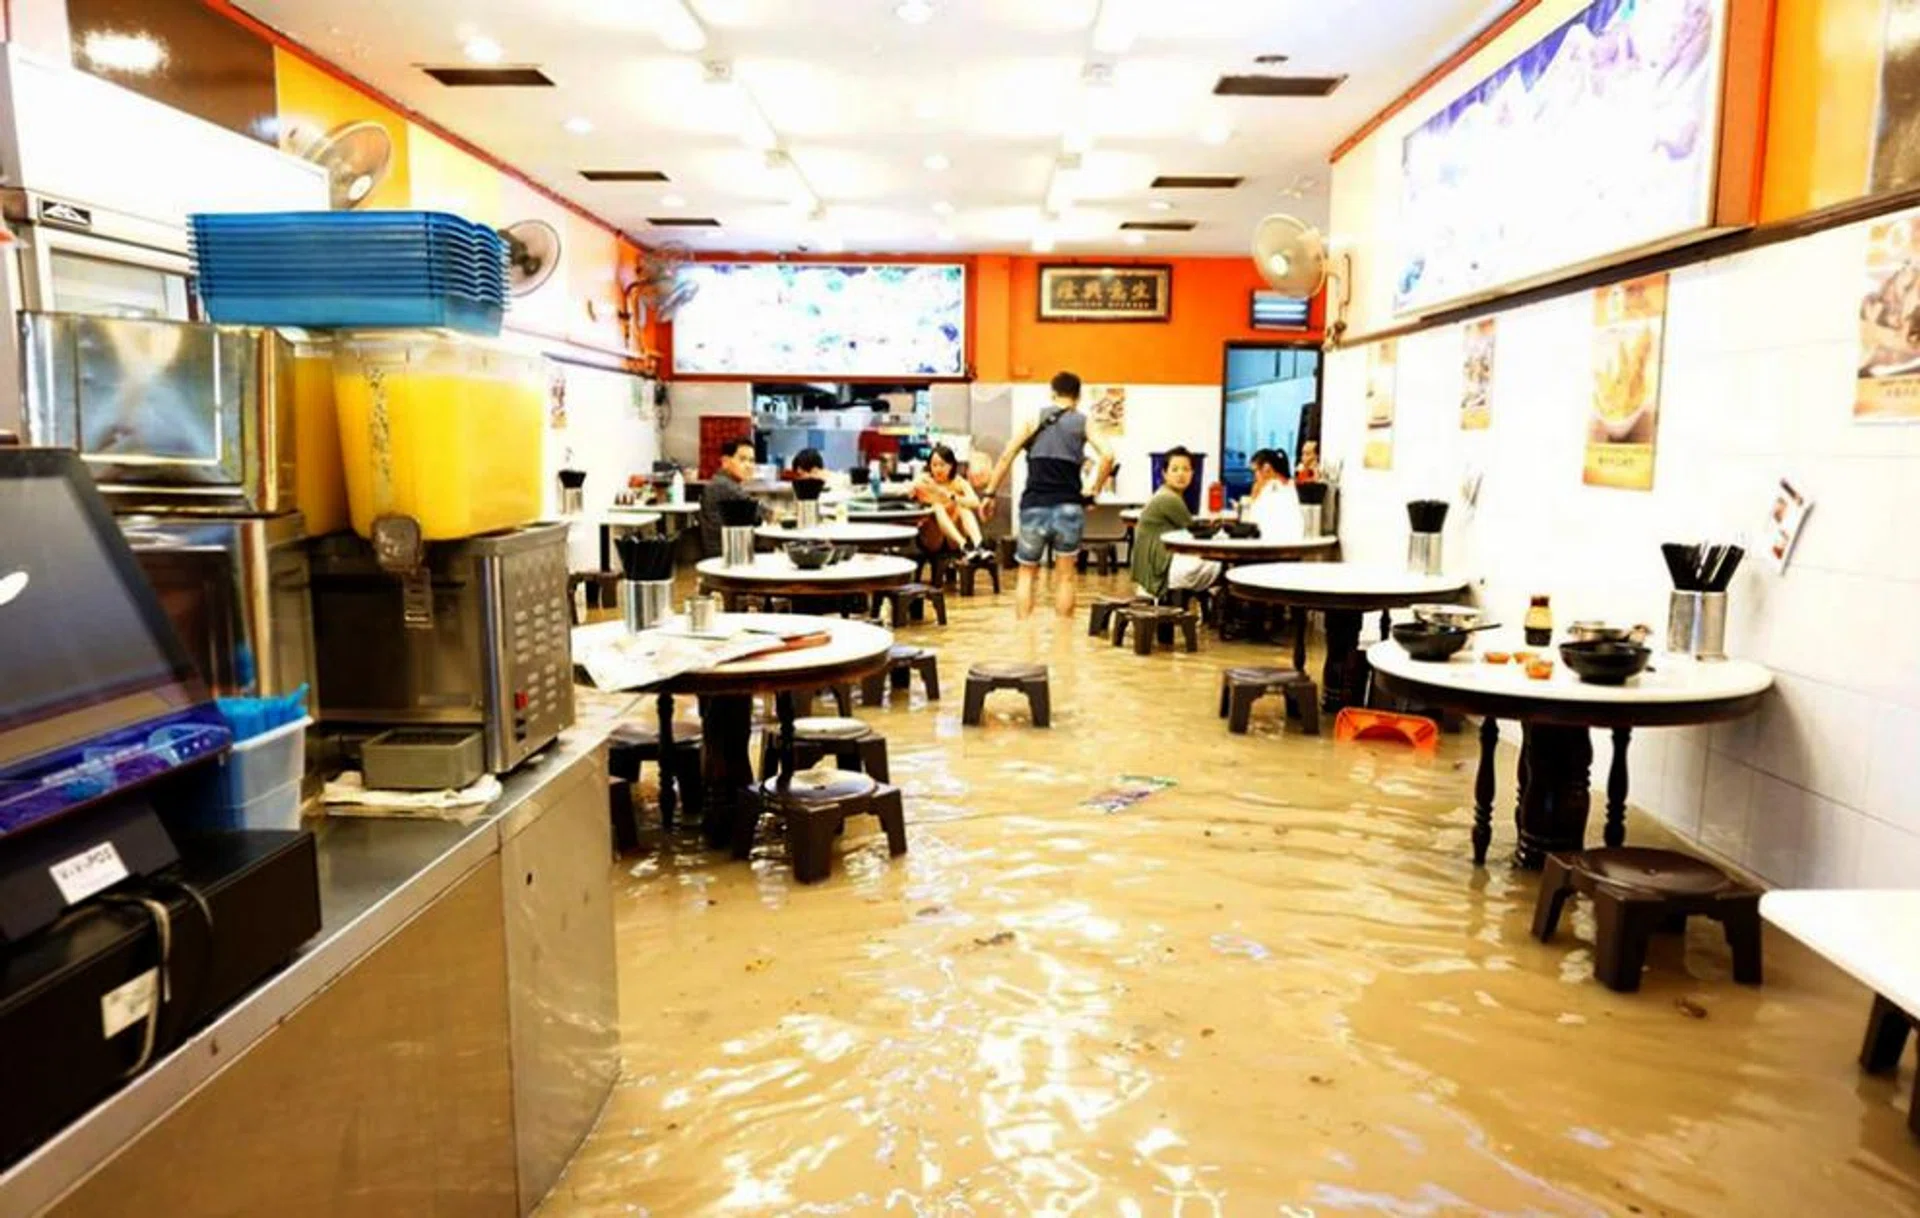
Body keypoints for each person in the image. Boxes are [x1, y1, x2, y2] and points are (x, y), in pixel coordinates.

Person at [981, 371, 1114, 620]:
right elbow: (1108, 455)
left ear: (1052, 393)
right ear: (1078, 396)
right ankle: (1064, 638)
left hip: (1034, 506)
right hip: (1069, 507)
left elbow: (1006, 456)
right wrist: (1094, 489)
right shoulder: (1084, 422)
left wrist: (989, 493)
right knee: (1066, 576)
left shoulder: (1034, 419)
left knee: (1026, 574)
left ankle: (1024, 634)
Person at [1129, 447, 1220, 601]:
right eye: (1175, 469)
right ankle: (1218, 609)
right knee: (1220, 565)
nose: (1181, 474)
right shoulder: (1168, 498)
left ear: (1193, 473)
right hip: (1160, 570)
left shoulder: (1166, 493)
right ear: (1164, 473)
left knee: (1212, 565)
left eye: (1186, 469)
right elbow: (1193, 531)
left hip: (1156, 564)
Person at [913, 444, 987, 558]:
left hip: (953, 540)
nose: (938, 469)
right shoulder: (924, 480)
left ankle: (979, 545)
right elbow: (906, 491)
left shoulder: (958, 481)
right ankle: (964, 545)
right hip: (932, 538)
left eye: (942, 465)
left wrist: (952, 496)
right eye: (934, 465)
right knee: (937, 507)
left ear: (951, 466)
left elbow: (975, 502)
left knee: (963, 507)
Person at [698, 437, 766, 557]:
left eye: (752, 460)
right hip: (726, 556)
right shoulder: (723, 485)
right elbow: (759, 513)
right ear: (725, 461)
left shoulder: (722, 482)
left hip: (731, 551)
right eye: (742, 459)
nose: (749, 466)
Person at [1244, 447, 1303, 542]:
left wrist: (1254, 497)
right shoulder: (1291, 486)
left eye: (1255, 471)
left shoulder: (1272, 489)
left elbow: (1252, 521)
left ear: (1266, 468)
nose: (1254, 476)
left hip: (1270, 545)